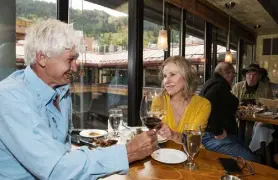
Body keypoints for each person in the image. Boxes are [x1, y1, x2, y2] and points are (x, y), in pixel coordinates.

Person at [0, 19, 157, 180]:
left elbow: (63, 153)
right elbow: (56, 169)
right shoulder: (9, 98)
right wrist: (128, 152)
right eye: (70, 60)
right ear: (42, 58)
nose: (75, 67)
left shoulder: (62, 91)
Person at [199, 62, 257, 161]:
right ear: (228, 73)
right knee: (251, 160)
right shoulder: (219, 86)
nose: (233, 78)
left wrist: (234, 110)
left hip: (210, 134)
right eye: (233, 75)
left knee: (246, 149)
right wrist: (218, 131)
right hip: (211, 136)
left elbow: (223, 103)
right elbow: (209, 107)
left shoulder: (213, 83)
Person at [152, 56, 211, 143]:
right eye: (165, 76)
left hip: (191, 154)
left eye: (172, 74)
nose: (166, 81)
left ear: (186, 76)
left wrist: (173, 135)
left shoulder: (203, 105)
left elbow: (192, 140)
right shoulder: (159, 101)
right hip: (162, 154)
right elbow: (155, 134)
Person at [232, 63, 274, 153]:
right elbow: (230, 104)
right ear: (245, 76)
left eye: (255, 75)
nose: (251, 78)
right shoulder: (237, 86)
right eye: (249, 75)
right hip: (240, 117)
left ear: (259, 77)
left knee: (260, 128)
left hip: (258, 118)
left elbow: (271, 106)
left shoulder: (265, 88)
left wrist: (263, 107)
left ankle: (253, 152)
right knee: (240, 124)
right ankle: (241, 150)